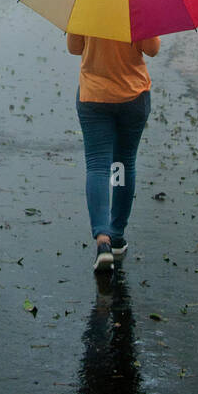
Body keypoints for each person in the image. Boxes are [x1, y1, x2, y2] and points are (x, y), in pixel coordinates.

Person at [66, 31, 160, 271]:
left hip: (94, 97)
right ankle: (117, 235)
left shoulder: (84, 0)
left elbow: (75, 48)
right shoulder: (138, 1)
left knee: (97, 166)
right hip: (133, 95)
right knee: (123, 163)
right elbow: (152, 49)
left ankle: (102, 241)